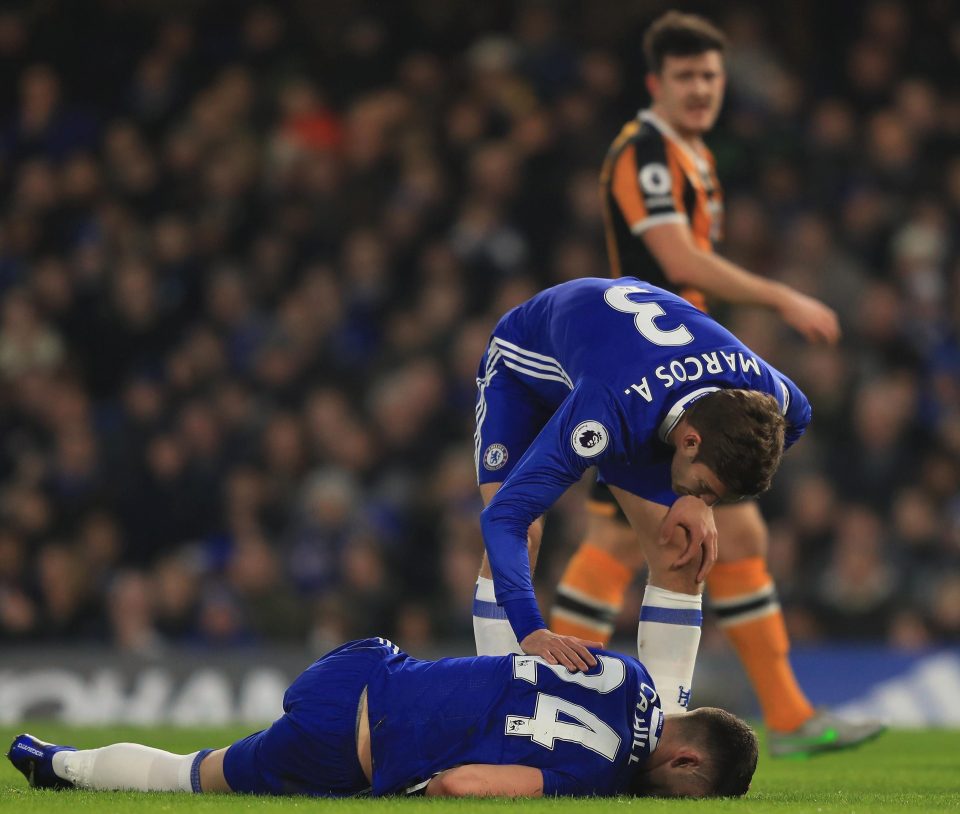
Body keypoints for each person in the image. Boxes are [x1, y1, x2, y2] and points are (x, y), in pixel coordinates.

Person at [548, 10, 882, 756]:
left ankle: (785, 712)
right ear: (654, 84)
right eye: (686, 77)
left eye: (710, 76)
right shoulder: (647, 154)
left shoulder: (688, 153)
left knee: (687, 533)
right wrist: (782, 296)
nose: (700, 88)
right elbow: (679, 258)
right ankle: (560, 701)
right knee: (640, 539)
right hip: (647, 381)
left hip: (682, 374)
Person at [471, 275, 805, 715]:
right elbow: (503, 520)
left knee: (682, 550)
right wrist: (531, 630)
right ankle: (495, 709)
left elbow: (796, 422)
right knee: (526, 529)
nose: (708, 502)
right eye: (706, 489)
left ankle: (665, 729)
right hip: (527, 373)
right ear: (690, 442)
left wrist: (696, 499)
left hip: (641, 385)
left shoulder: (776, 396)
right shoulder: (606, 413)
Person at [8, 636, 759, 799]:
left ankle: (52, 760)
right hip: (351, 746)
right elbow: (464, 785)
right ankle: (64, 767)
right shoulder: (596, 778)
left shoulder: (628, 671)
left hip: (366, 664)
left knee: (206, 766)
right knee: (194, 776)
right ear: (687, 762)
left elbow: (530, 665)